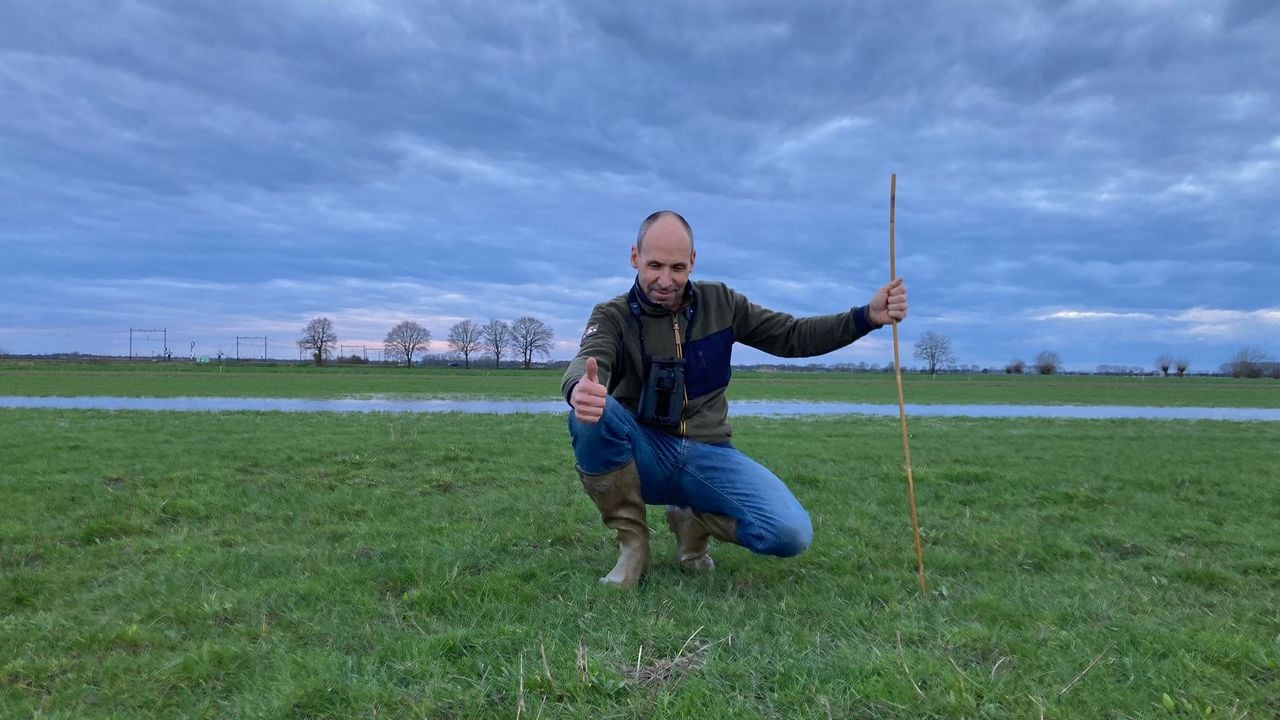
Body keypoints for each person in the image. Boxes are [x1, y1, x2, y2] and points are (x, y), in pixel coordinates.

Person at [562, 210, 908, 587]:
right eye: (654, 265)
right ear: (634, 257)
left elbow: (792, 334)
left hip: (709, 453)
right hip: (645, 453)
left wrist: (865, 317)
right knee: (591, 414)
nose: (666, 280)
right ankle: (633, 546)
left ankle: (693, 521)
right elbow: (589, 358)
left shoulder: (722, 303)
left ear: (693, 261)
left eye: (677, 267)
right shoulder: (611, 315)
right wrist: (580, 387)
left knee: (789, 534)